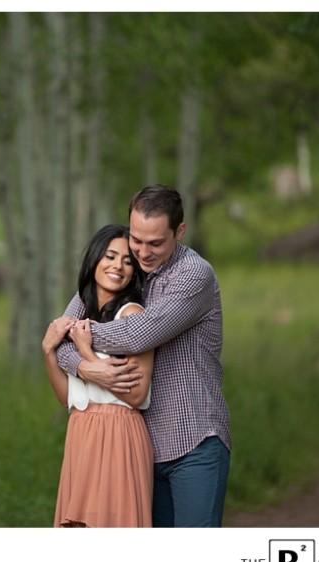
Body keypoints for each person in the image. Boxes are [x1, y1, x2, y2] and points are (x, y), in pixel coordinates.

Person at [56, 184, 232, 528]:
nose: (143, 252)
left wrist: (80, 337)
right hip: (140, 449)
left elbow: (140, 333)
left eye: (155, 243)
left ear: (179, 232)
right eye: (137, 240)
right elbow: (59, 334)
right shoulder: (125, 268)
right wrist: (87, 367)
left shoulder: (194, 275)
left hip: (193, 442)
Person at [42, 224, 155, 527]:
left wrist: (87, 353)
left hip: (118, 432)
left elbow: (137, 394)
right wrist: (48, 352)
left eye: (127, 260)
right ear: (94, 260)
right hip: (81, 429)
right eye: (110, 256)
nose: (118, 266)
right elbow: (68, 397)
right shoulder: (82, 313)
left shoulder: (133, 316)